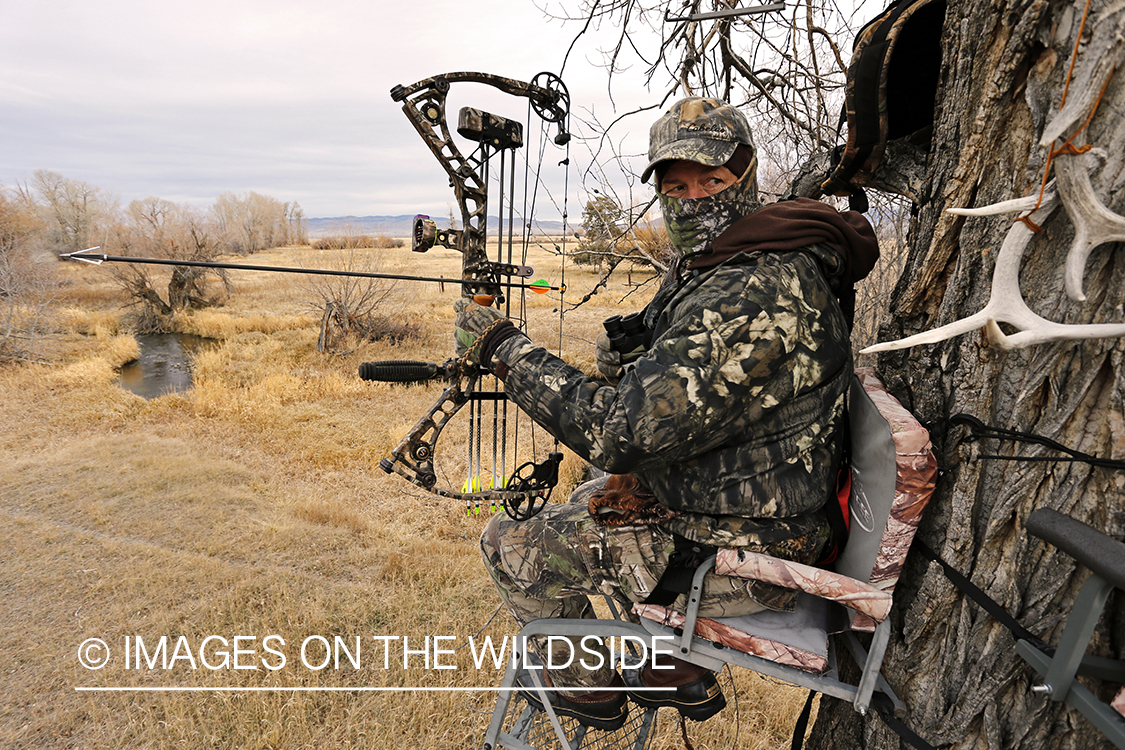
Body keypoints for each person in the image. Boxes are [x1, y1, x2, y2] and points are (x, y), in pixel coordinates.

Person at [454, 96, 879, 730]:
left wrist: (503, 350)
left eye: (712, 180)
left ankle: (584, 688)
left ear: (747, 176)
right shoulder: (736, 259)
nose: (692, 199)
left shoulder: (756, 286)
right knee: (597, 497)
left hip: (746, 551)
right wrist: (639, 346)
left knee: (511, 540)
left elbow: (619, 432)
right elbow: (686, 388)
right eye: (675, 185)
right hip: (735, 507)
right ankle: (669, 667)